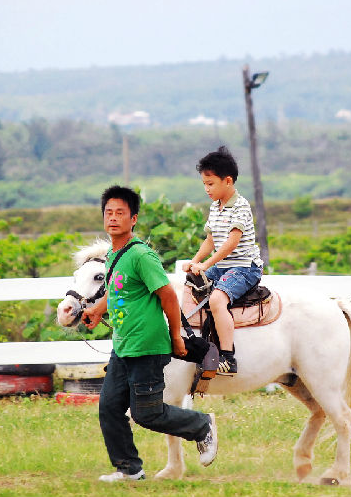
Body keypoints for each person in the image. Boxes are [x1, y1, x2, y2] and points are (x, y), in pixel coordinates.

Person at [82, 185, 217, 482]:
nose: (113, 218)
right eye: (109, 213)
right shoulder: (114, 255)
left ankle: (202, 425)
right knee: (109, 408)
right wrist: (97, 309)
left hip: (148, 346)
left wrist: (176, 337)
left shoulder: (142, 255)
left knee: (147, 413)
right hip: (124, 345)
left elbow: (167, 295)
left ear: (133, 219)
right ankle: (130, 470)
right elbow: (120, 292)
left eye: (120, 213)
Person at [181, 146, 263, 376]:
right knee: (189, 285)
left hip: (244, 267)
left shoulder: (241, 206)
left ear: (228, 181)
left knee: (217, 300)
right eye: (204, 184)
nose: (207, 189)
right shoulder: (215, 207)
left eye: (211, 184)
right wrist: (195, 260)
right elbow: (211, 240)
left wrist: (206, 265)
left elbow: (231, 243)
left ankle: (227, 357)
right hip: (224, 266)